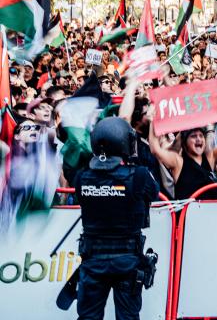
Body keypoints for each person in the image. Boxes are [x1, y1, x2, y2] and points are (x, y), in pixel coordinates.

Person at [73, 117, 159, 320]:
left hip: (93, 259)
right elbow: (153, 193)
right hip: (127, 261)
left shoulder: (82, 177)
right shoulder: (139, 175)